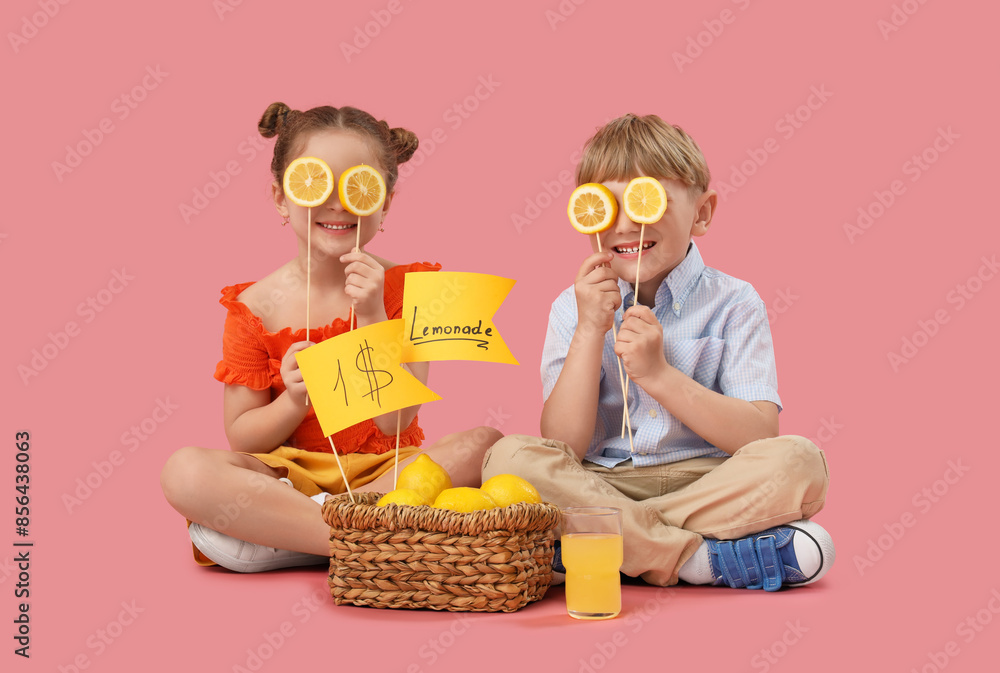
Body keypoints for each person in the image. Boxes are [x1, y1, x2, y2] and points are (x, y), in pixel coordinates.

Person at [482, 114, 833, 590]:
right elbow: (564, 444)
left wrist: (660, 375)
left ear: (703, 213)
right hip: (603, 482)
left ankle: (606, 544)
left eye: (647, 203)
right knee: (510, 458)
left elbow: (758, 435)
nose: (626, 224)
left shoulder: (735, 301)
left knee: (799, 460)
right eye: (607, 206)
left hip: (708, 483)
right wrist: (590, 328)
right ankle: (697, 560)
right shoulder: (572, 306)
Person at [160, 102, 501, 572]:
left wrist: (374, 315)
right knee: (185, 471)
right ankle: (367, 537)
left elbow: (396, 425)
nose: (338, 202)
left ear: (384, 202)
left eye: (359, 186)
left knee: (487, 445)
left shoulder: (412, 288)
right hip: (286, 478)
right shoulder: (254, 307)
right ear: (282, 197)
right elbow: (243, 439)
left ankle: (294, 538)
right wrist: (293, 401)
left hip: (387, 475)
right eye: (315, 183)